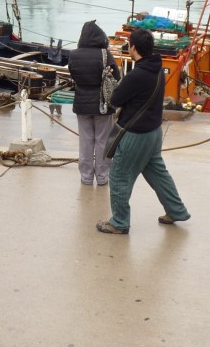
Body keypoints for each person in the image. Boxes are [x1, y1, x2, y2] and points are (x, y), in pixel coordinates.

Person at [97, 28, 189, 234]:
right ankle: (176, 210)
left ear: (134, 48)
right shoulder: (158, 69)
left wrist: (113, 84)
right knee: (158, 175)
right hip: (154, 133)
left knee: (119, 175)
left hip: (135, 135)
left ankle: (119, 222)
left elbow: (115, 99)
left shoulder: (137, 74)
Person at [68, 20, 121, 186]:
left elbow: (73, 75)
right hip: (103, 104)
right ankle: (103, 176)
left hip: (82, 103)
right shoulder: (105, 54)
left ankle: (86, 177)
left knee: (85, 140)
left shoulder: (74, 54)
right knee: (102, 140)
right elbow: (117, 77)